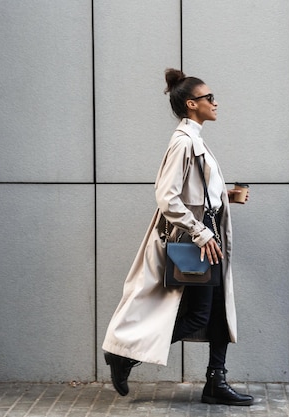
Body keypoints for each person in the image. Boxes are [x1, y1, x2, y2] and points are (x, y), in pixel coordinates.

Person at [102, 68, 253, 406]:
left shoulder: (195, 139)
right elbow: (167, 197)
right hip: (198, 242)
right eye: (209, 98)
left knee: (217, 312)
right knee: (200, 315)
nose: (215, 102)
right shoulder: (183, 143)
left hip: (209, 239)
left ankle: (216, 381)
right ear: (191, 104)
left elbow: (192, 192)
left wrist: (225, 196)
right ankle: (125, 356)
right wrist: (200, 232)